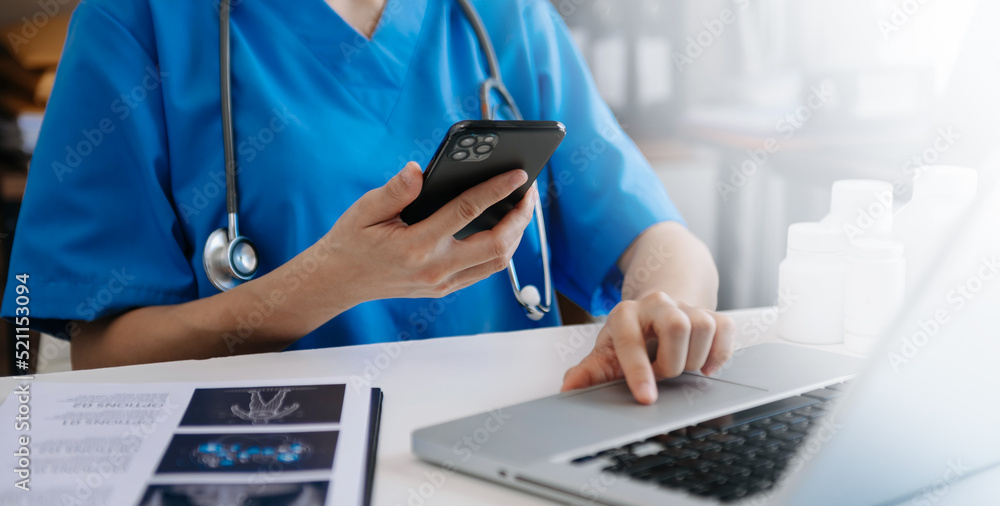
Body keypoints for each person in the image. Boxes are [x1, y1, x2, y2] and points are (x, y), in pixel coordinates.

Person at [0, 0, 733, 405]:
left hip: (492, 454)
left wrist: (659, 306)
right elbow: (102, 357)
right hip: (261, 463)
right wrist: (327, 284)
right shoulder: (140, 19)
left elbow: (659, 241)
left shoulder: (498, 15)